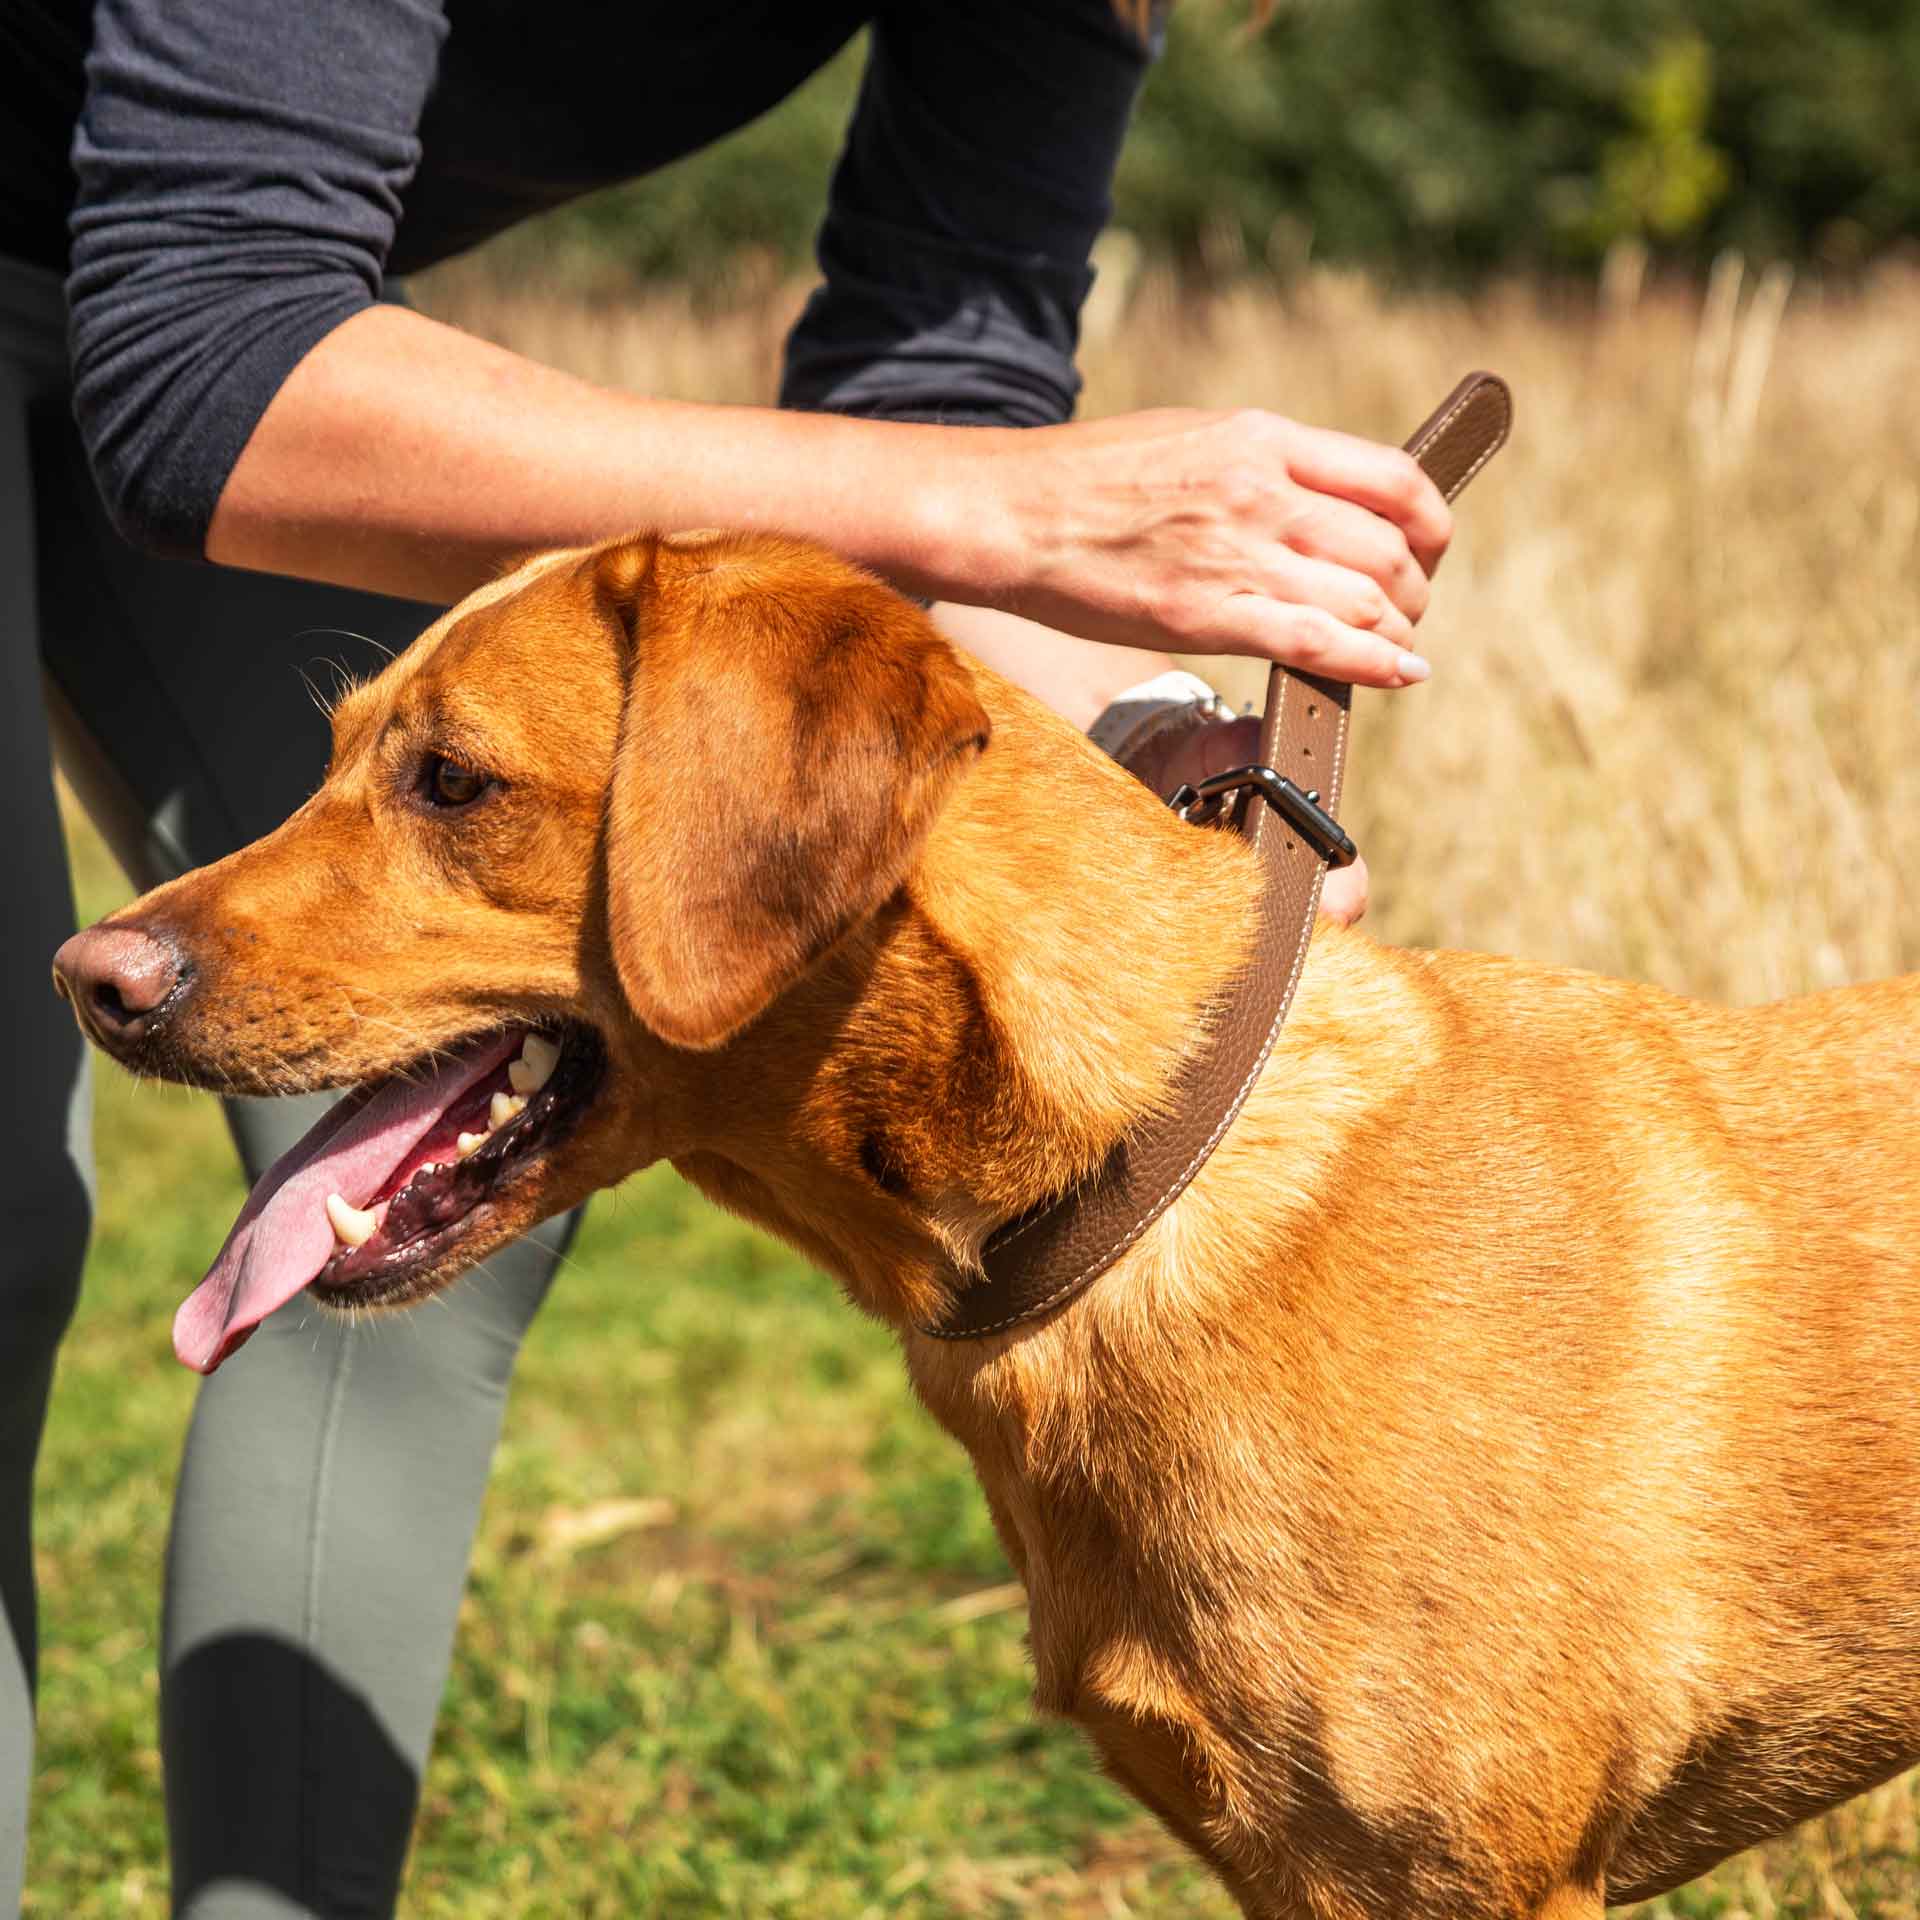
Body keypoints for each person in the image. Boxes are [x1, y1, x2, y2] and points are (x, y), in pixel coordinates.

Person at [2, 1, 1452, 1911]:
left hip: (200, 309)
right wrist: (1013, 509)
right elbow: (208, 353)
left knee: (441, 1155)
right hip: (222, 330)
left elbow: (930, 379)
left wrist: (1133, 732)